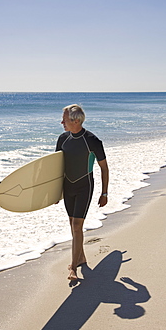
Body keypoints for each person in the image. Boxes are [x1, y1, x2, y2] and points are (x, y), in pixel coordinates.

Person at [56, 104, 109, 280]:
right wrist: (54, 192)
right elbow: (55, 168)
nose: (61, 122)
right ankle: (82, 257)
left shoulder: (92, 140)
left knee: (77, 226)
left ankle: (73, 268)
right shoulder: (62, 139)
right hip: (67, 187)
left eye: (64, 119)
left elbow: (103, 167)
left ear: (76, 120)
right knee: (73, 225)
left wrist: (104, 193)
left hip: (84, 186)